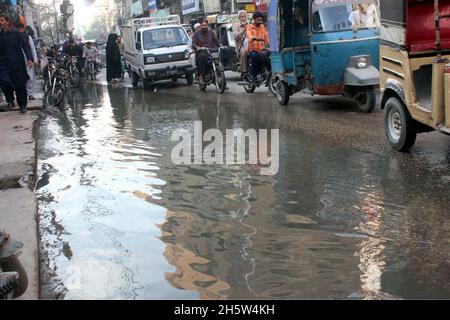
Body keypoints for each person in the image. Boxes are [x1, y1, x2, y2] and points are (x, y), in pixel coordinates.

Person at [0, 13, 33, 113]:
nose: (0, 22)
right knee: (4, 82)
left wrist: (29, 58)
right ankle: (10, 101)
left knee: (20, 84)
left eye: (1, 20)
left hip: (17, 63)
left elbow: (25, 45)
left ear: (7, 22)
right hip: (3, 64)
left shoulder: (15, 33)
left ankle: (22, 105)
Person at [191, 20, 219, 85]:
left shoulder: (211, 33)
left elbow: (216, 41)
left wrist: (221, 45)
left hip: (210, 52)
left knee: (218, 58)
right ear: (201, 26)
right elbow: (193, 43)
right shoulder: (196, 34)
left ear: (208, 26)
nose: (204, 27)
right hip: (200, 53)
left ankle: (221, 81)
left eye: (205, 25)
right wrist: (197, 47)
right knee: (202, 57)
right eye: (203, 25)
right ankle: (201, 76)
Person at [246, 11, 270, 82]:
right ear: (254, 19)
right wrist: (254, 38)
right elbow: (249, 35)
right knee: (254, 56)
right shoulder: (249, 27)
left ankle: (269, 72)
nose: (260, 22)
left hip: (262, 49)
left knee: (269, 57)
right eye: (258, 20)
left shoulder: (263, 27)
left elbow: (266, 38)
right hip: (252, 49)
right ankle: (254, 76)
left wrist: (270, 45)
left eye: (261, 20)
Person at [17, 23, 37, 100]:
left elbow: (33, 49)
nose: (20, 31)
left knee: (30, 78)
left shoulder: (28, 37)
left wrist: (34, 60)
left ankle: (30, 94)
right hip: (18, 61)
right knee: (21, 78)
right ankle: (24, 94)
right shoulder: (15, 37)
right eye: (18, 30)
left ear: (24, 29)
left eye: (21, 29)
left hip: (29, 60)